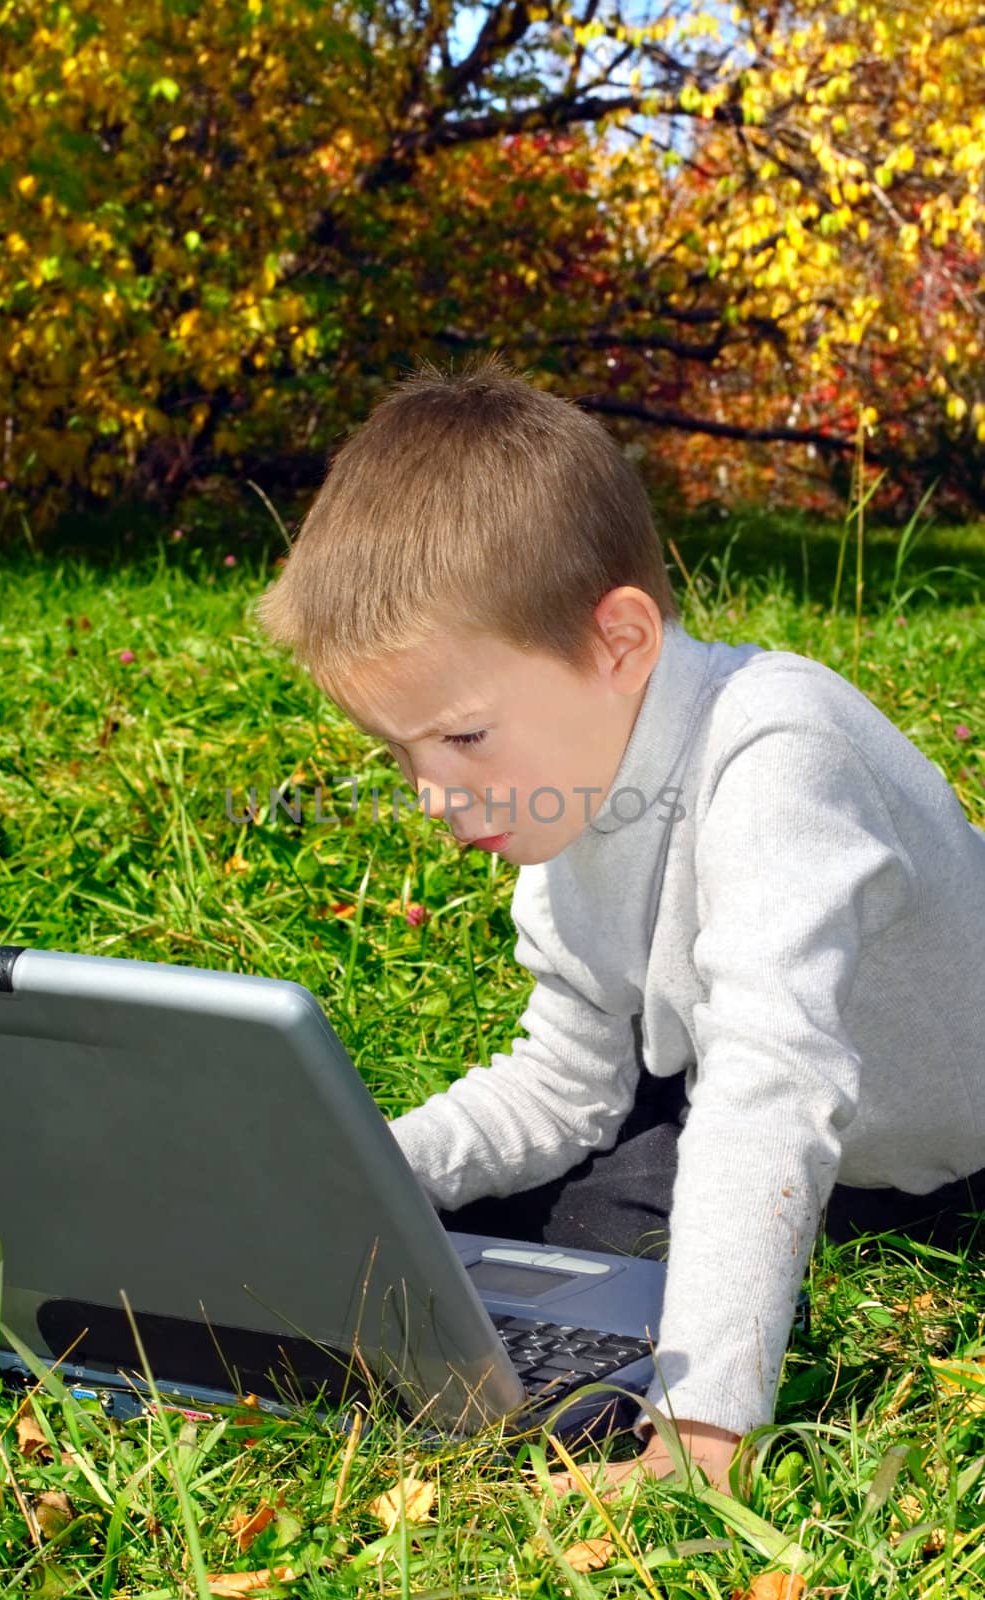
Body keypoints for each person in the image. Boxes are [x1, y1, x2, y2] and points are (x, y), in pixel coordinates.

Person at [257, 353, 985, 1495]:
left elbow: (771, 1086)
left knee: (642, 1223)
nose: (432, 797)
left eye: (461, 738)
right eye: (399, 754)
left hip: (928, 1148)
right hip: (750, 1102)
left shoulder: (775, 747)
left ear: (619, 643)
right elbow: (564, 1084)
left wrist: (698, 1435)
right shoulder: (565, 793)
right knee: (510, 1220)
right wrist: (367, 1172)